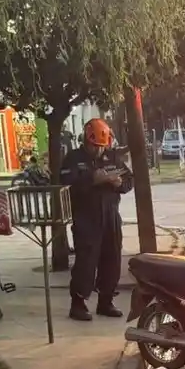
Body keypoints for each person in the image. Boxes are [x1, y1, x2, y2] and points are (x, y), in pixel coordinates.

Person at [60, 118, 131, 321]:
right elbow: (65, 182)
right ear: (86, 140)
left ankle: (106, 301)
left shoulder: (112, 157)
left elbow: (129, 179)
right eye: (95, 146)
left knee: (112, 258)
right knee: (86, 260)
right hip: (86, 217)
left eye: (102, 146)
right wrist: (92, 179)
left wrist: (119, 183)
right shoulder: (73, 158)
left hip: (110, 215)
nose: (99, 151)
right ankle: (78, 303)